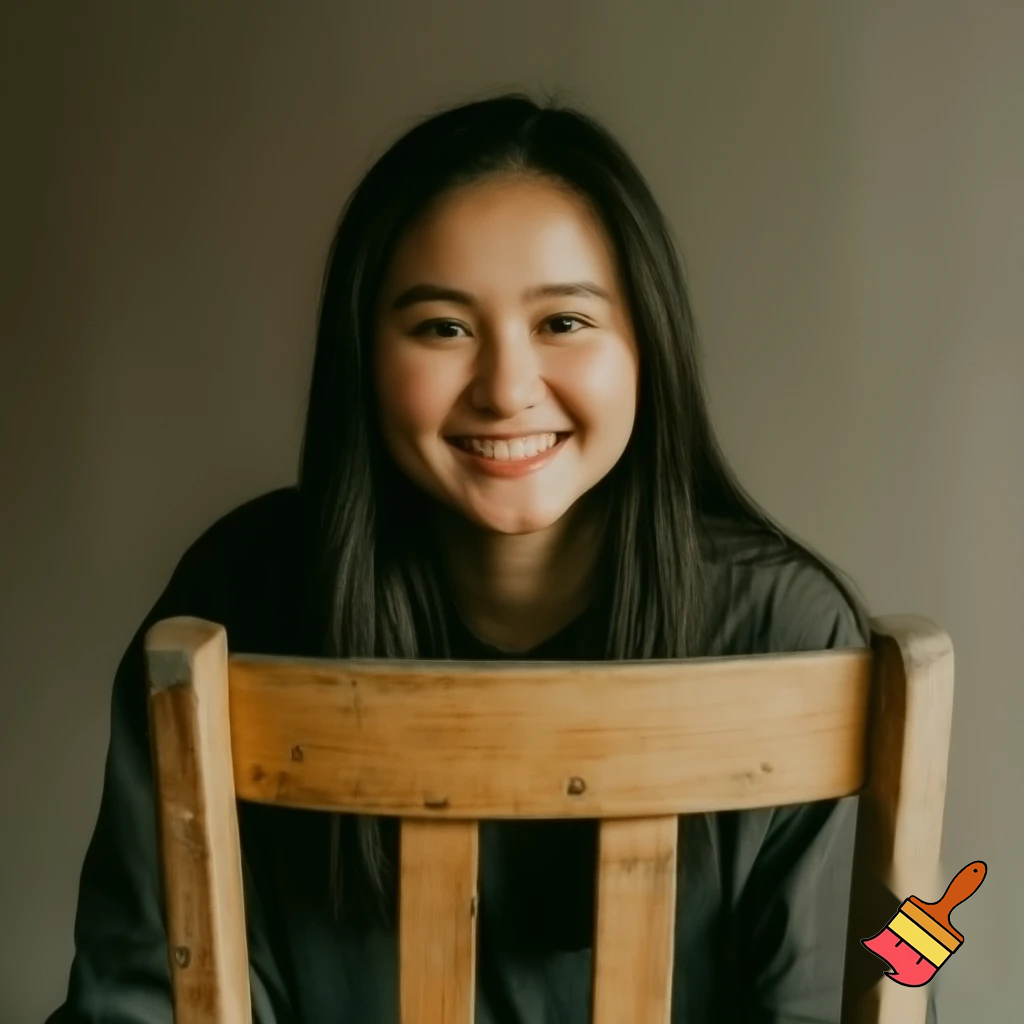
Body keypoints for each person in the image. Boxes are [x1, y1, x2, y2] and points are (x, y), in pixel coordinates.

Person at [49, 92, 887, 1023]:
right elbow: (137, 990)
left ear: (646, 345)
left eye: (563, 322)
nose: (506, 388)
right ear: (363, 356)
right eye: (443, 327)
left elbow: (871, 981)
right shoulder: (237, 601)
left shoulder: (788, 634)